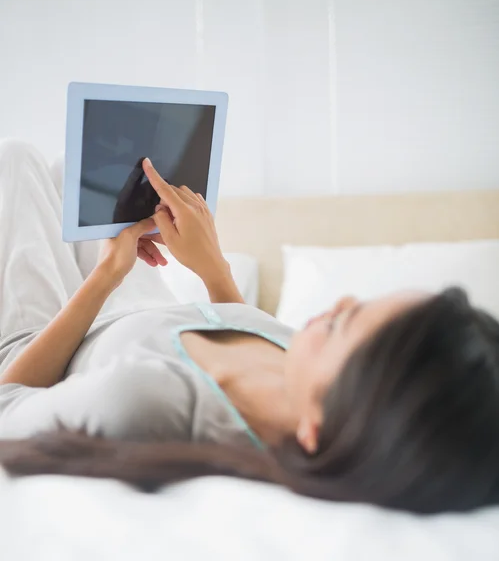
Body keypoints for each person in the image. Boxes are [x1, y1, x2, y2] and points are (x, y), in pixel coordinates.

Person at [0, 139, 498, 514]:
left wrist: (106, 279)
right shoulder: (304, 372)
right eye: (359, 304)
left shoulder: (150, 399)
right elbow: (239, 325)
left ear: (320, 427)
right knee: (80, 173)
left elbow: (10, 400)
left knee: (16, 160)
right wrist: (211, 266)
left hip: (47, 337)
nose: (340, 302)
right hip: (130, 300)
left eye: (342, 326)